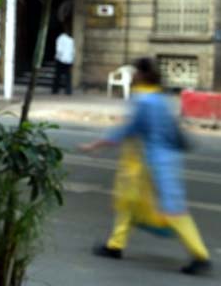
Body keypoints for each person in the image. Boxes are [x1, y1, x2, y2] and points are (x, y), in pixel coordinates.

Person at [80, 58, 212, 276]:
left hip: (151, 164)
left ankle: (200, 255)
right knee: (129, 203)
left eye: (134, 73)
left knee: (173, 210)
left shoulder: (143, 100)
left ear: (141, 75)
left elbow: (128, 130)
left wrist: (97, 144)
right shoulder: (160, 98)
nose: (131, 76)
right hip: (159, 161)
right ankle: (115, 245)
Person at [52, 24, 74, 95]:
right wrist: (72, 59)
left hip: (61, 59)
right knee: (68, 77)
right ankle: (68, 91)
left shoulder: (60, 38)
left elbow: (59, 49)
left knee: (58, 75)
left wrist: (57, 57)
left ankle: (55, 90)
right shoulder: (71, 40)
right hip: (68, 60)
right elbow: (73, 51)